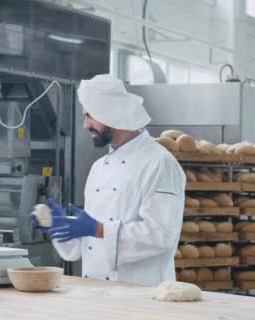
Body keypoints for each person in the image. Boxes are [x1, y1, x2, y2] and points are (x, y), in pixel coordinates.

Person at [33, 74, 186, 287]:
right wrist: (61, 228)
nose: (85, 125)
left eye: (90, 115)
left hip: (141, 295)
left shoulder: (159, 163)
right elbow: (81, 249)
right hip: (96, 292)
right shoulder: (98, 168)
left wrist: (97, 229)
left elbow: (160, 235)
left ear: (114, 113)